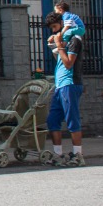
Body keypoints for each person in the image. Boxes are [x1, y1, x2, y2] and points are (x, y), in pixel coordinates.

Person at [44, 11, 85, 167]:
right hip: (60, 84)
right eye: (52, 28)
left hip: (70, 83)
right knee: (52, 120)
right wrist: (56, 45)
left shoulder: (75, 40)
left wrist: (60, 46)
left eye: (55, 27)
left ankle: (78, 154)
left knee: (72, 120)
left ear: (63, 24)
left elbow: (69, 63)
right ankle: (58, 154)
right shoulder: (65, 39)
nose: (54, 31)